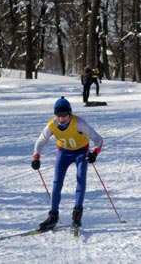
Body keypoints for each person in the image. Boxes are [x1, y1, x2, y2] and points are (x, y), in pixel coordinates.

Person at [31, 96, 103, 230]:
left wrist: (94, 153)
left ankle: (77, 213)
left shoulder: (79, 123)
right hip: (64, 153)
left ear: (69, 113)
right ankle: (53, 216)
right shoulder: (52, 125)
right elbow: (40, 141)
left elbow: (97, 139)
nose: (62, 117)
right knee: (57, 183)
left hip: (81, 152)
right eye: (58, 114)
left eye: (64, 114)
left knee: (81, 179)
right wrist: (36, 157)